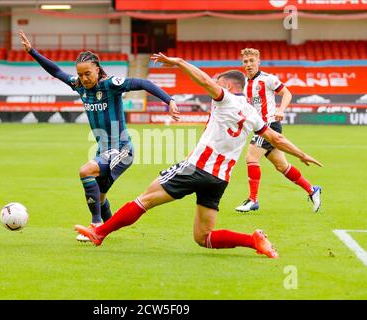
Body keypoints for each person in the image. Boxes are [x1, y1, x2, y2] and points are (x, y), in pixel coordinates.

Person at [75, 53, 323, 258]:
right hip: (219, 179)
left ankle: (99, 232)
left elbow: (204, 80)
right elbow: (277, 139)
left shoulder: (226, 100)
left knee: (145, 200)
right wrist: (302, 154)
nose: (215, 84)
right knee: (204, 238)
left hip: (196, 168)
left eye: (220, 81)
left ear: (228, 86)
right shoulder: (253, 114)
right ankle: (253, 241)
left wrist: (180, 63)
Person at [18, 31, 180, 241]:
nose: (84, 78)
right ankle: (108, 229)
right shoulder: (78, 85)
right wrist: (32, 52)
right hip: (103, 149)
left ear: (97, 69)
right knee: (99, 196)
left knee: (85, 171)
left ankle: (95, 225)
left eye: (88, 73)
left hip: (121, 148)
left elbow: (143, 83)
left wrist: (170, 101)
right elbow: (56, 71)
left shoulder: (111, 84)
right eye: (81, 74)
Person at [235, 48, 322, 213]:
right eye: (245, 62)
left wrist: (281, 109)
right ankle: (312, 190)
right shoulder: (244, 83)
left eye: (252, 61)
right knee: (282, 166)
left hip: (269, 125)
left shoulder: (268, 79)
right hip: (258, 127)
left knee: (251, 157)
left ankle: (253, 200)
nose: (248, 64)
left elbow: (287, 93)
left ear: (258, 62)